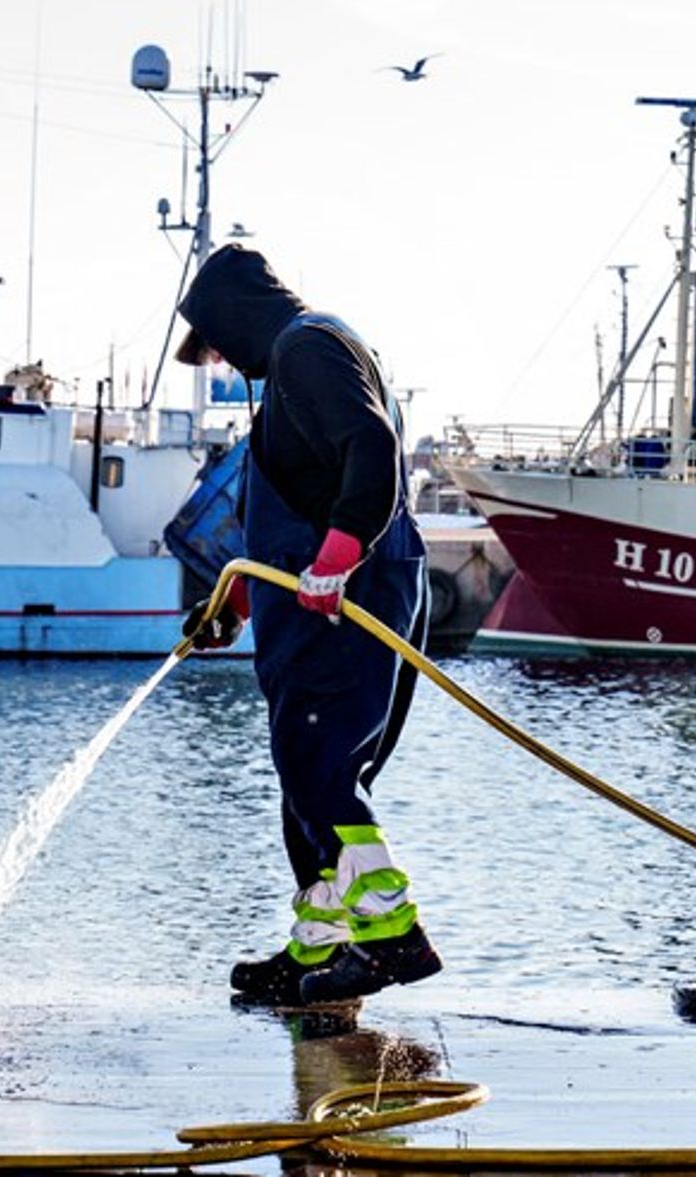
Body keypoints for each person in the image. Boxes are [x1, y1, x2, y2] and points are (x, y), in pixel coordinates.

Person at [174, 244, 439, 1006]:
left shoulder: (308, 349)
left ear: (237, 313)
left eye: (217, 339)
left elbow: (371, 448)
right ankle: (321, 946)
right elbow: (290, 506)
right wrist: (233, 604)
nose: (220, 357)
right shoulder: (292, 369)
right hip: (313, 596)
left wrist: (340, 551)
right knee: (307, 776)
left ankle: (390, 932)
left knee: (319, 763)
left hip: (351, 595)